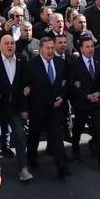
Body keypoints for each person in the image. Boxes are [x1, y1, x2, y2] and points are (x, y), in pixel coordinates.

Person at [0, 34, 33, 181]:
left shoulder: (21, 59)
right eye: (6, 43)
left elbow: (25, 84)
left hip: (15, 108)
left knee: (19, 137)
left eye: (12, 43)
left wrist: (25, 108)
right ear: (0, 46)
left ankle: (23, 169)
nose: (10, 46)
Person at [23, 36, 71, 179]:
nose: (50, 51)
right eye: (48, 48)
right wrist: (24, 109)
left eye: (52, 48)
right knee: (34, 135)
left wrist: (62, 97)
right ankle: (31, 158)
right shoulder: (31, 65)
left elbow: (66, 83)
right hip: (37, 109)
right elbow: (25, 88)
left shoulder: (61, 63)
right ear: (41, 49)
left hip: (55, 109)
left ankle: (61, 167)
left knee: (56, 136)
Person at [69, 34, 100, 170]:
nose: (91, 49)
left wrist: (99, 93)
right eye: (87, 47)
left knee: (99, 130)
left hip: (97, 101)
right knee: (78, 129)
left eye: (92, 46)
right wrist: (86, 96)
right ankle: (75, 150)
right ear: (81, 49)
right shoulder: (74, 64)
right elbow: (72, 85)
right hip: (82, 103)